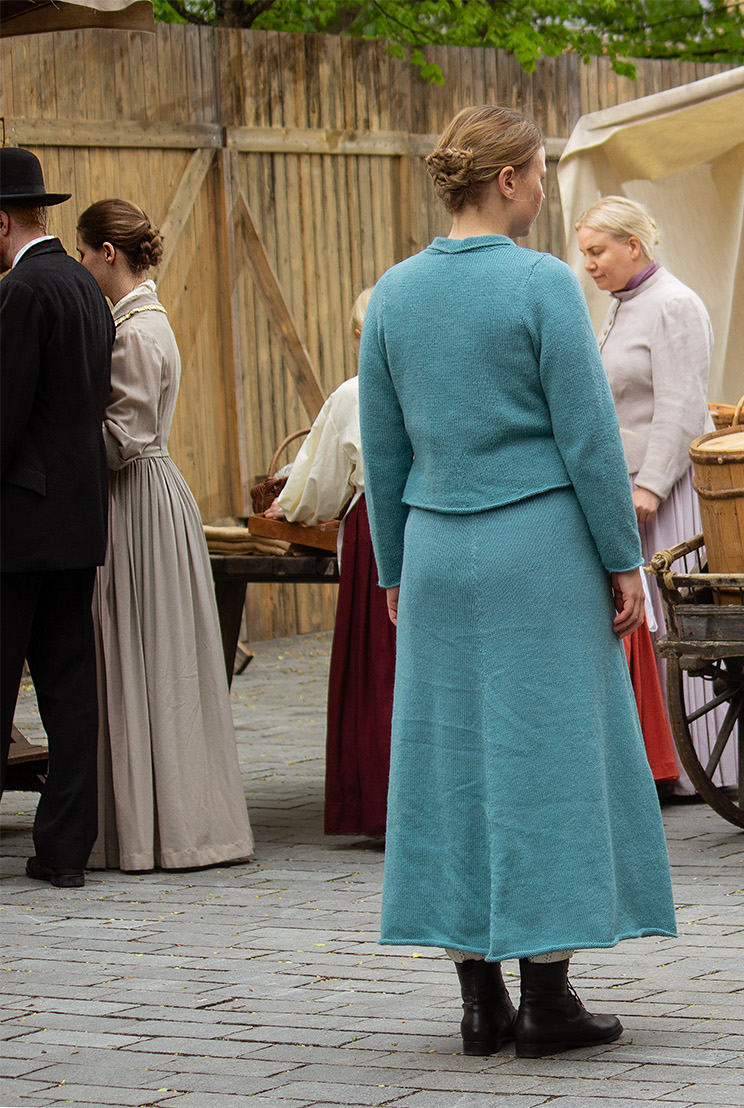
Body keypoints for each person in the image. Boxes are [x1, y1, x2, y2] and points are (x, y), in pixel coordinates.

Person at [360, 105, 674, 1056]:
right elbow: (587, 438)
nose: (544, 192)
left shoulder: (393, 295)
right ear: (506, 180)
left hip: (438, 551)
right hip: (538, 550)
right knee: (547, 761)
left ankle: (478, 999)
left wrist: (392, 565)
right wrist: (624, 559)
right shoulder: (541, 286)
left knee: (451, 762)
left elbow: (384, 450)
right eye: (539, 174)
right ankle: (547, 996)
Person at [74, 199, 254, 873]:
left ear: (107, 255)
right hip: (144, 496)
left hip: (137, 501)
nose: (85, 266)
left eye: (87, 255)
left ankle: (167, 828)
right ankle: (145, 820)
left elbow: (122, 439)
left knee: (147, 654)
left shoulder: (139, 333)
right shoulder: (138, 324)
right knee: (146, 655)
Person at [575, 194, 719, 795]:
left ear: (634, 245)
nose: (590, 265)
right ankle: (655, 757)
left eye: (598, 251)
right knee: (643, 623)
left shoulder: (674, 304)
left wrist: (653, 488)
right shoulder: (621, 307)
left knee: (669, 622)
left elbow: (682, 406)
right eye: (584, 254)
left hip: (665, 488)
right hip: (629, 485)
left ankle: (693, 764)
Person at [0, 147, 112, 889]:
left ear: (1, 220)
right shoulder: (83, 285)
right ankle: (65, 851)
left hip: (18, 526)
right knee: (71, 689)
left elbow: (4, 416)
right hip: (78, 519)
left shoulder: (22, 293)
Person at [265, 287, 396, 839]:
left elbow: (315, 483)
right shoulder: (442, 379)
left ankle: (384, 804)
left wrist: (283, 507)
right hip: (446, 520)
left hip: (379, 532)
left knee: (382, 667)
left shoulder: (355, 392)